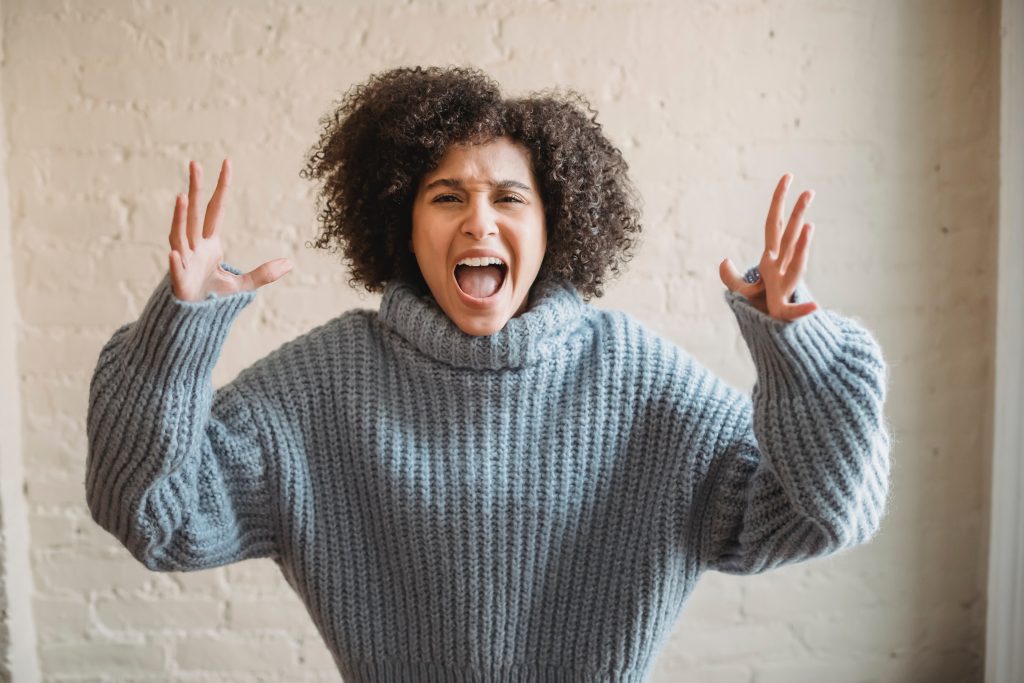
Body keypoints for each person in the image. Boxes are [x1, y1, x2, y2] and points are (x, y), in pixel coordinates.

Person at [85, 65, 891, 681]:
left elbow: (825, 513)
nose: (479, 219)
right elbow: (157, 518)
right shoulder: (324, 384)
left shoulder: (637, 381)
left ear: (554, 226)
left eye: (511, 196)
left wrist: (801, 349)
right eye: (446, 196)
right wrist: (173, 339)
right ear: (403, 222)